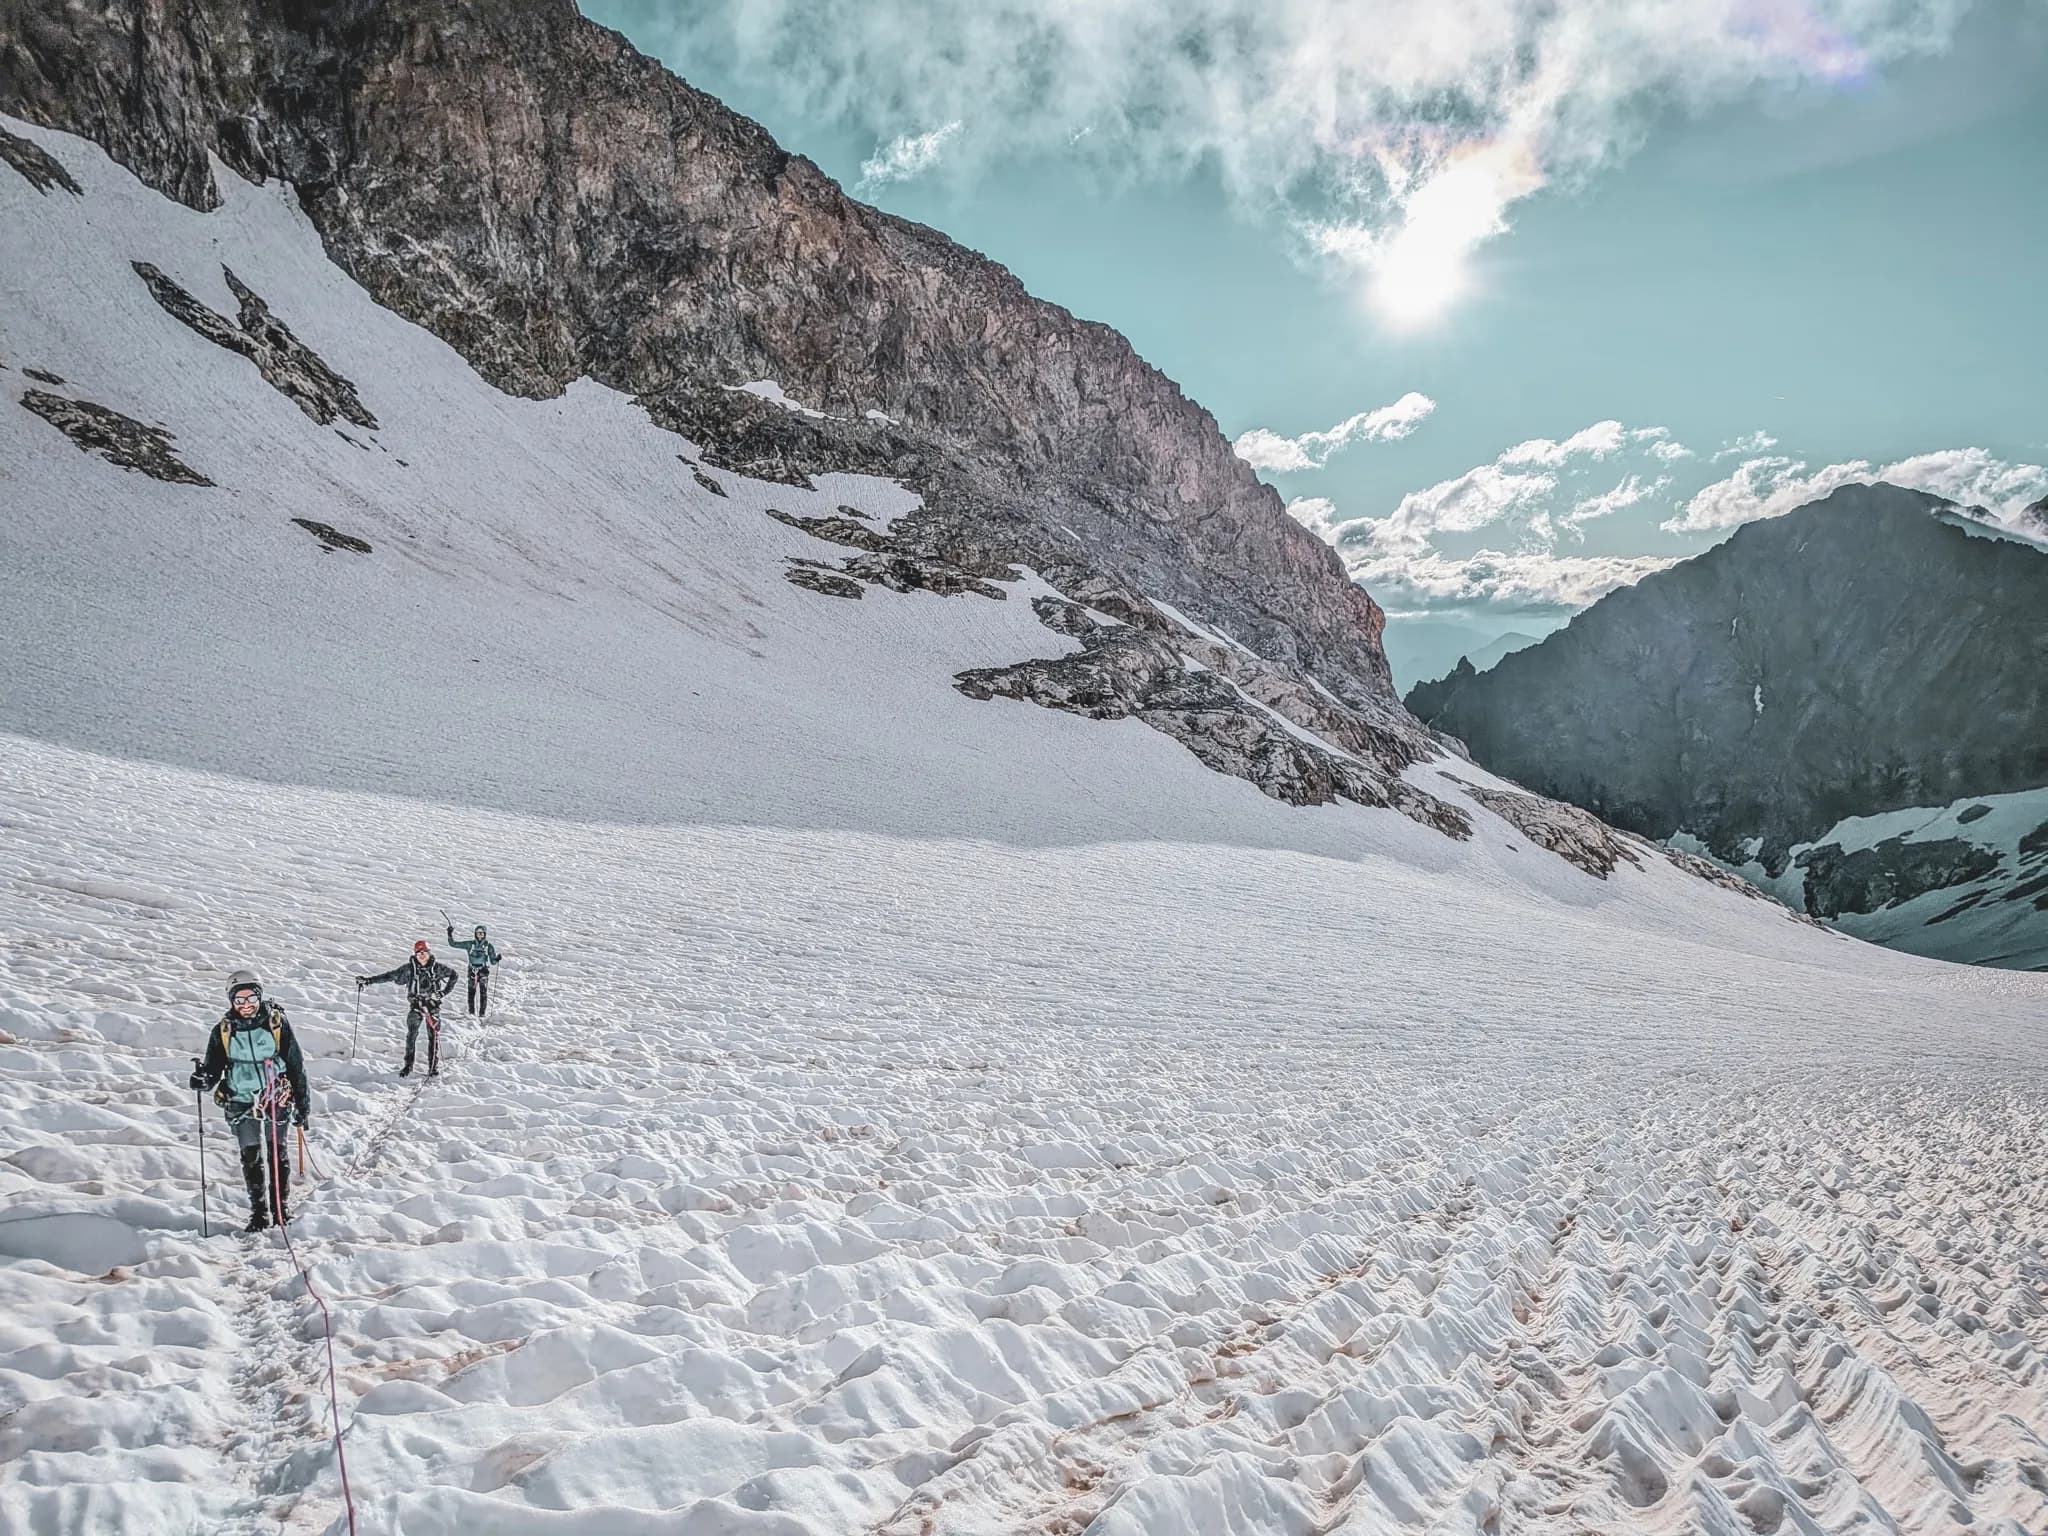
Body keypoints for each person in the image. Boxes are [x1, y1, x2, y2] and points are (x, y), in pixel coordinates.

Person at [190, 970, 308, 1233]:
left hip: (276, 1096)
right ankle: (259, 1213)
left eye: (251, 998)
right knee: (251, 1156)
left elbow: (295, 1065)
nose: (246, 1005)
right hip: (241, 1101)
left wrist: (303, 1104)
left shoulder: (277, 1024)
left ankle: (280, 1208)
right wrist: (203, 1080)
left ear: (260, 996)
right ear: (231, 1000)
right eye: (240, 1000)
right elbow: (214, 1068)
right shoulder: (223, 1030)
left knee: (277, 1153)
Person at [357, 940, 457, 1077]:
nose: (421, 955)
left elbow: (454, 975)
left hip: (433, 1007)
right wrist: (369, 981)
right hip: (416, 1006)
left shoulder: (437, 968)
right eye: (419, 953)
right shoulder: (409, 969)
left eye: (424, 953)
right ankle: (408, 1066)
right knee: (411, 1036)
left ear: (429, 953)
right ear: (415, 954)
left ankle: (433, 1067)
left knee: (433, 1036)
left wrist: (443, 993)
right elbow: (389, 976)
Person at [445, 920, 502, 1018]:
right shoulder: (469, 944)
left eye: (481, 933)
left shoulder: (488, 946)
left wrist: (496, 959)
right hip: (472, 970)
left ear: (484, 934)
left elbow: (492, 962)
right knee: (471, 992)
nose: (480, 935)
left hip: (483, 970)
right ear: (475, 934)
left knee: (483, 993)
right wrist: (450, 934)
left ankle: (482, 1014)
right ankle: (471, 1013)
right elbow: (453, 944)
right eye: (478, 933)